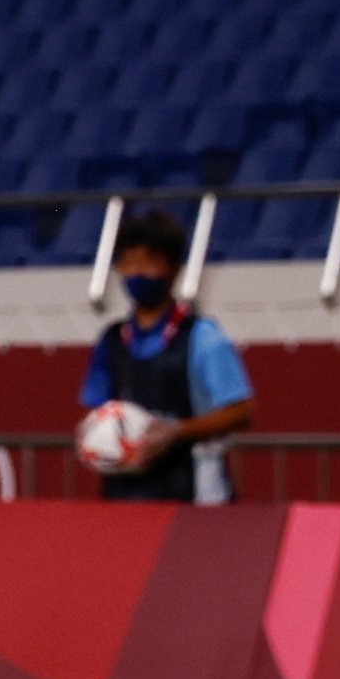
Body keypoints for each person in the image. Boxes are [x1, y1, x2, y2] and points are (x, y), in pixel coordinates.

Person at [81, 209, 255, 503]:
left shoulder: (202, 337)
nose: (137, 272)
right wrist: (90, 435)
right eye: (129, 262)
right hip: (125, 493)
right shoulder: (111, 340)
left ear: (174, 268)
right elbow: (98, 408)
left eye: (149, 262)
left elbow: (241, 411)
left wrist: (175, 432)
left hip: (195, 493)